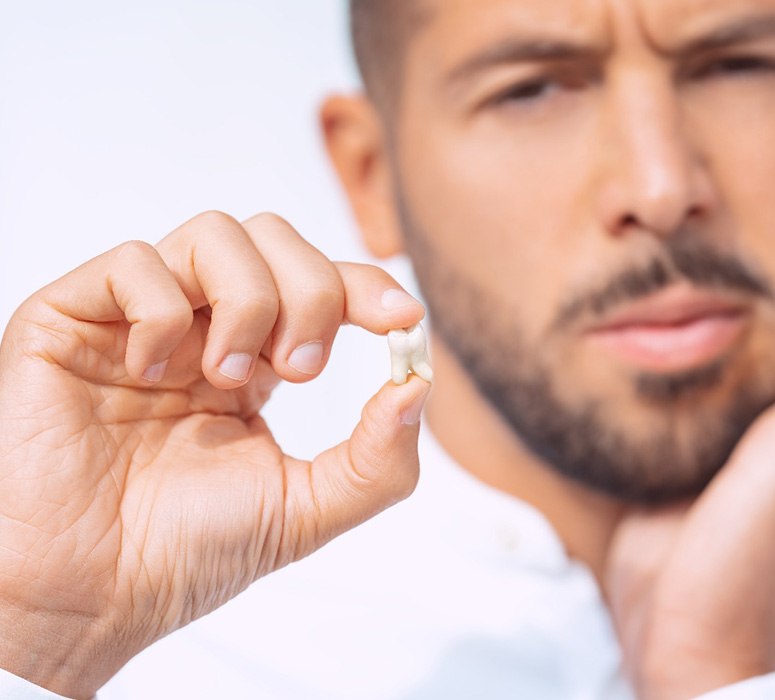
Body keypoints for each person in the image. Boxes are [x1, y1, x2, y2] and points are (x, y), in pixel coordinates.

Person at [2, 0, 775, 698]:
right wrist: (38, 635)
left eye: (740, 66)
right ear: (370, 177)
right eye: (530, 88)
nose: (660, 188)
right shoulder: (167, 664)